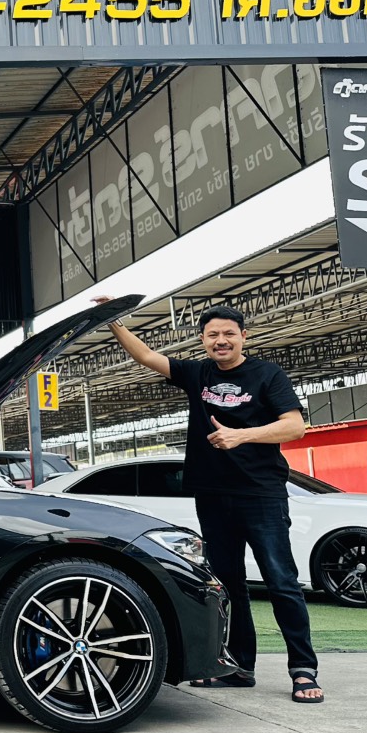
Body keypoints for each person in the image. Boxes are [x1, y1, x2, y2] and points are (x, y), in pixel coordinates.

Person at [97, 300, 323, 704]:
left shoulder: (267, 374)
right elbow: (146, 356)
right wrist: (113, 321)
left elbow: (295, 427)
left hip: (261, 494)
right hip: (213, 495)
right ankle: (239, 667)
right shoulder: (197, 373)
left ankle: (303, 669)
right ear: (203, 340)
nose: (221, 340)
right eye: (213, 334)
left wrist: (241, 435)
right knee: (229, 585)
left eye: (229, 333)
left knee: (281, 581)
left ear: (243, 337)